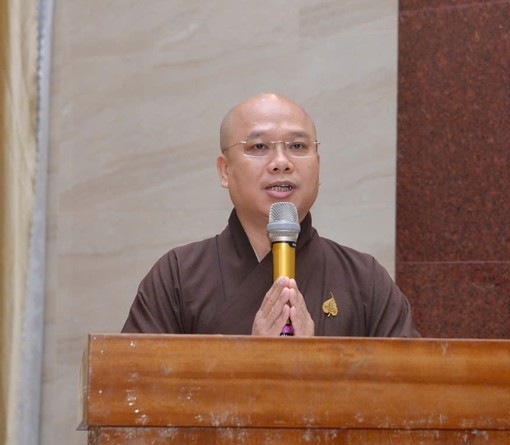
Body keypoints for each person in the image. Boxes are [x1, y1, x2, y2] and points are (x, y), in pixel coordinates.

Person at [122, 93, 419, 337]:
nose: (281, 162)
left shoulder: (364, 279)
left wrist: (316, 362)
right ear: (225, 170)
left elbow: (411, 384)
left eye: (297, 146)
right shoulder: (179, 275)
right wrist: (254, 362)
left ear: (318, 165)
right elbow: (134, 384)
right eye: (260, 146)